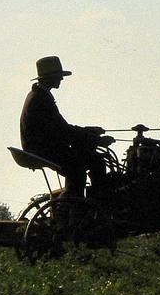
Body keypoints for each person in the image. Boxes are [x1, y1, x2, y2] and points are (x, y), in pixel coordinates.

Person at [20, 56, 114, 198]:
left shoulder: (38, 95)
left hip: (41, 147)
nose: (61, 80)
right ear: (49, 78)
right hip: (43, 150)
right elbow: (63, 132)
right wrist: (95, 140)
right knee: (92, 163)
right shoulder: (41, 99)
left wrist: (88, 131)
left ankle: (82, 203)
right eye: (58, 76)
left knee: (86, 160)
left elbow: (61, 128)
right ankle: (81, 205)